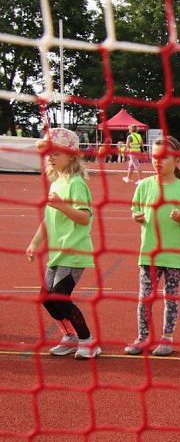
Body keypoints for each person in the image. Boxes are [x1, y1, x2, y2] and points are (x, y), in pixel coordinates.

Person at [25, 128, 100, 360]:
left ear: (71, 155)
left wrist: (61, 206)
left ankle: (88, 340)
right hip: (57, 253)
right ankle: (69, 336)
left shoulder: (77, 183)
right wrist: (34, 243)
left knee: (59, 297)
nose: (51, 157)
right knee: (46, 298)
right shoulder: (56, 183)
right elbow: (48, 220)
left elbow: (84, 217)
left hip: (74, 251)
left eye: (57, 153)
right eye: (49, 153)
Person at [126, 136, 180, 356]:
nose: (157, 161)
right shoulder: (144, 186)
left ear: (176, 159)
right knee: (145, 297)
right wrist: (136, 216)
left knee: (171, 298)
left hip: (174, 255)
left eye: (164, 157)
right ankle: (143, 337)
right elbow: (135, 211)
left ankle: (167, 338)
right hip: (149, 252)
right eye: (154, 157)